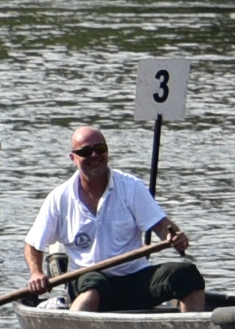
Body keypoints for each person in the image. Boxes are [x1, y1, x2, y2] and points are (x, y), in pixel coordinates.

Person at [22, 126, 202, 313]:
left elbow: (162, 225)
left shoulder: (130, 187)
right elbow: (33, 245)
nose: (94, 155)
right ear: (73, 158)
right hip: (87, 279)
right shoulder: (59, 198)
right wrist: (36, 273)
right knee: (94, 285)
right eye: (85, 152)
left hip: (134, 279)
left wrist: (175, 237)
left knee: (187, 275)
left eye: (100, 149)